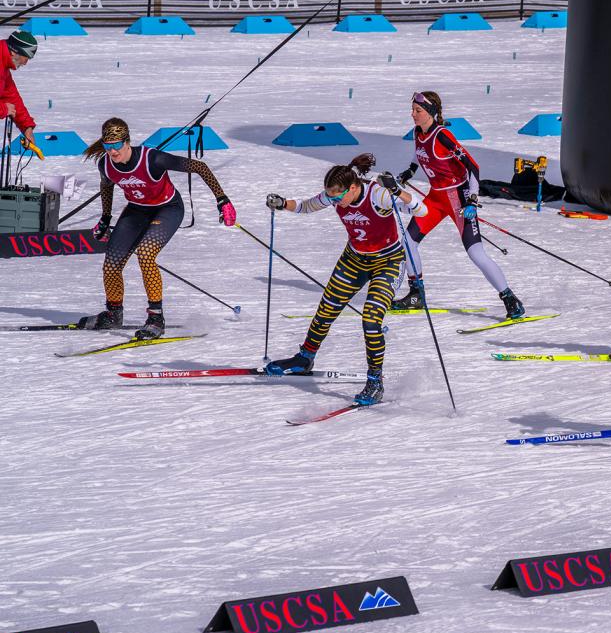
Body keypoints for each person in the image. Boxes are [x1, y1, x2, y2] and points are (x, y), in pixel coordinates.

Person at [264, 153, 427, 408]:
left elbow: (422, 209)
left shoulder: (378, 194)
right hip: (354, 259)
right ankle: (305, 357)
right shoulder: (334, 195)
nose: (335, 203)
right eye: (331, 197)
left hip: (388, 262)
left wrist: (398, 191)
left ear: (353, 188)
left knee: (371, 319)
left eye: (338, 197)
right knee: (326, 308)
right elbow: (307, 205)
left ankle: (375, 381)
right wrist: (284, 204)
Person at [82, 118, 235, 339]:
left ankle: (156, 318)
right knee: (111, 263)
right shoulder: (105, 164)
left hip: (168, 209)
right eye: (108, 146)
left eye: (117, 145)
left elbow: (200, 167)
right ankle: (114, 314)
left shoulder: (152, 159)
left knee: (145, 254)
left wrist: (222, 200)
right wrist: (105, 219)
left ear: (128, 142)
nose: (112, 151)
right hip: (136, 211)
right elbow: (106, 185)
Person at [391, 90, 524, 320]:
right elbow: (419, 152)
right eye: (412, 109)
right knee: (408, 242)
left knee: (475, 253)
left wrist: (472, 198)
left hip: (458, 199)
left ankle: (510, 298)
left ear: (431, 112)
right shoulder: (418, 132)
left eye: (417, 110)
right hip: (436, 198)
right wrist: (410, 171)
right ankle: (416, 294)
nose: (412, 114)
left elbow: (473, 167)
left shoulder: (443, 137)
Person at [0, 30, 38, 151]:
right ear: (14, 51)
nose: (25, 63)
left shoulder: (3, 66)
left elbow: (11, 97)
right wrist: (3, 109)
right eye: (26, 57)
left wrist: (27, 127)